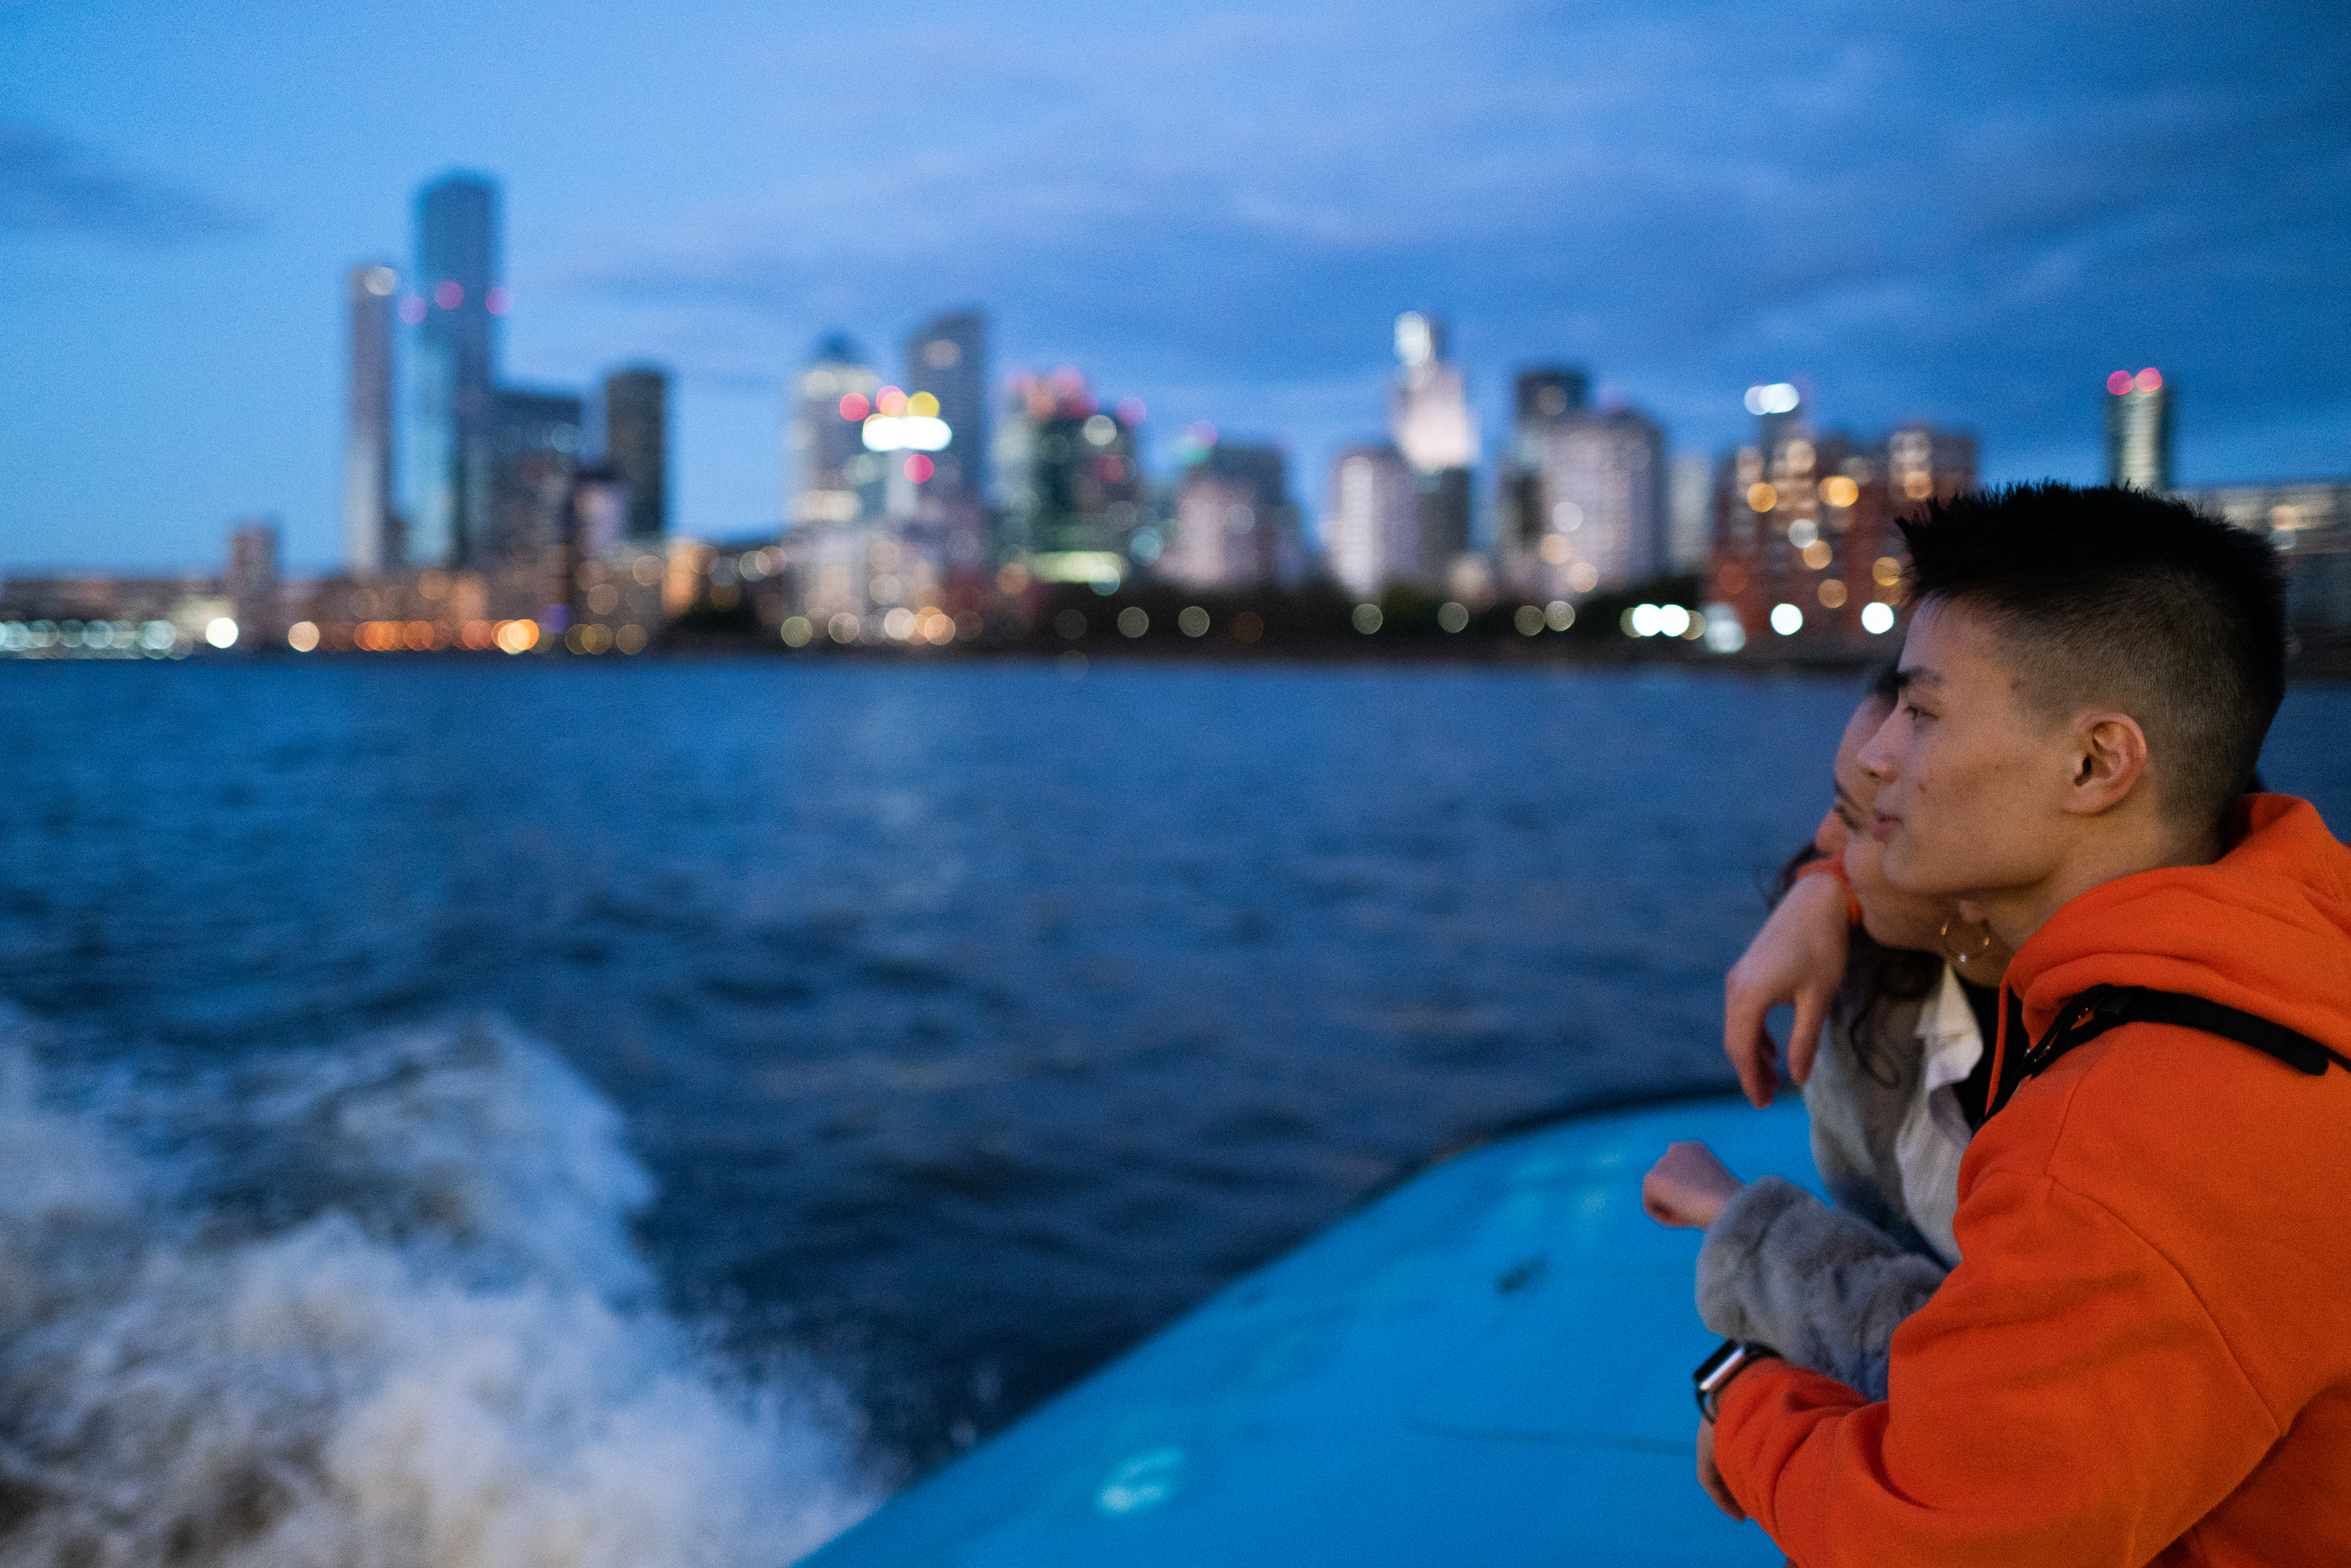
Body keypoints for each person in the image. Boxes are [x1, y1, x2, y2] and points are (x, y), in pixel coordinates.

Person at [1695, 483, 2351, 1565]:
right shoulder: (2281, 947)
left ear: (2095, 763)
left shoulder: (2115, 1150)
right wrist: (1825, 884)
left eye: (1922, 713)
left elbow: (1921, 1540)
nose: (1876, 757)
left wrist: (1742, 1399)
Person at [1642, 664, 2013, 1401]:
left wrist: (1744, 1226)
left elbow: (1994, 1384)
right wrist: (1828, 888)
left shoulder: (2114, 1073)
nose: (1821, 840)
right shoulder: (1871, 987)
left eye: (1861, 815)